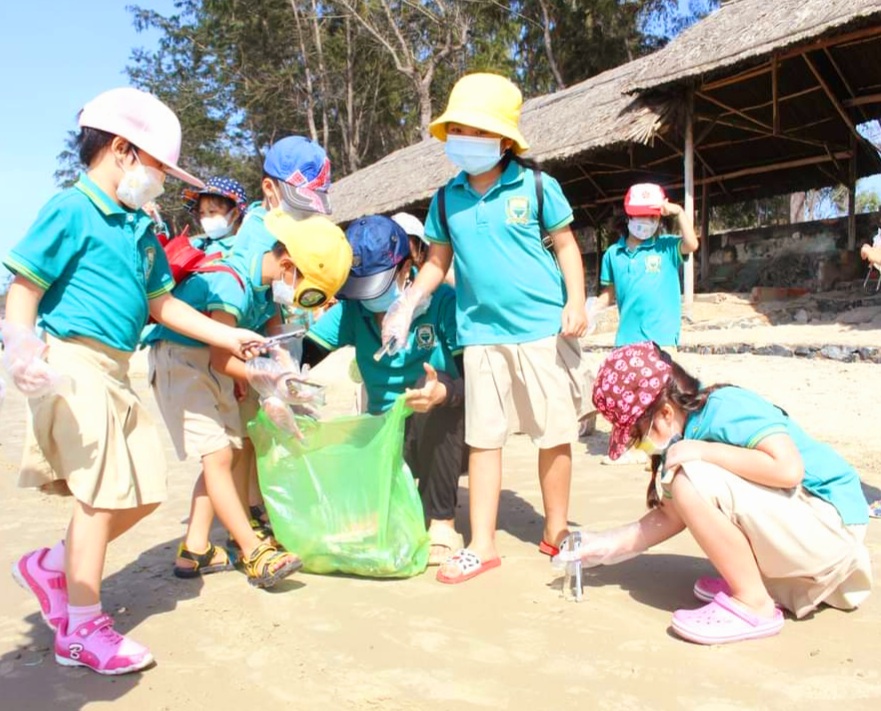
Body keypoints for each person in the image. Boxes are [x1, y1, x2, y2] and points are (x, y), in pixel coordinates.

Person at [3, 87, 265, 675]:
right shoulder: (70, 209)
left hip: (121, 369)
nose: (164, 183)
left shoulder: (140, 226)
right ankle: (82, 626)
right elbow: (23, 290)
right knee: (101, 496)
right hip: (73, 360)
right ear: (122, 150)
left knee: (143, 489)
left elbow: (163, 305)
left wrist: (229, 336)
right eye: (157, 168)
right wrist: (20, 346)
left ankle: (54, 566)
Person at [381, 72, 589, 584]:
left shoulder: (537, 184)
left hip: (542, 327)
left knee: (553, 432)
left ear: (503, 137)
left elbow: (565, 245)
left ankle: (556, 529)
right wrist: (408, 303)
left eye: (477, 129)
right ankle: (482, 543)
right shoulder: (446, 197)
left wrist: (577, 301)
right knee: (484, 438)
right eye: (458, 129)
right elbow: (435, 260)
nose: (466, 140)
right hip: (479, 333)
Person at [556, 341, 872, 645]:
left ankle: (753, 603)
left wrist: (703, 452)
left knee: (688, 478)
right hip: (808, 530)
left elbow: (788, 470)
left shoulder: (726, 408)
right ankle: (751, 582)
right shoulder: (687, 434)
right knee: (687, 480)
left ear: (665, 413)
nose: (640, 446)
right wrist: (603, 546)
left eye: (638, 435)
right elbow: (668, 516)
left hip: (832, 527)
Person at [146, 211, 351, 587]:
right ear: (288, 265)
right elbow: (223, 357)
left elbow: (275, 344)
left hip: (209, 364)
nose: (303, 300)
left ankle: (195, 548)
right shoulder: (233, 285)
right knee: (219, 455)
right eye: (309, 291)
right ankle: (253, 550)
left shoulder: (266, 288)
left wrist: (287, 380)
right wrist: (265, 379)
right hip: (181, 359)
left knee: (232, 450)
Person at [303, 215, 467, 565]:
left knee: (437, 409)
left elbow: (475, 383)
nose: (369, 300)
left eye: (376, 288)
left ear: (406, 268)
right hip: (384, 429)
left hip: (444, 431)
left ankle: (442, 522)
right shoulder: (352, 311)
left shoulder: (442, 304)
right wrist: (285, 376)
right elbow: (306, 352)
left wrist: (444, 392)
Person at [593, 183, 698, 349]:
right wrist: (587, 311)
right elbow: (608, 295)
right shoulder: (613, 254)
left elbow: (692, 244)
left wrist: (678, 211)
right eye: (641, 215)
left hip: (663, 340)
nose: (647, 221)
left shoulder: (667, 247)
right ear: (628, 217)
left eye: (652, 216)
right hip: (627, 341)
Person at [182, 175, 249, 253]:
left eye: (212, 211)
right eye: (202, 213)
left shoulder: (243, 248)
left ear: (234, 213)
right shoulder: (198, 245)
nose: (206, 219)